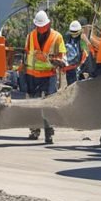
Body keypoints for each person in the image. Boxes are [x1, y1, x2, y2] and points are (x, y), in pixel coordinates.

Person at [22, 10, 66, 143]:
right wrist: (22, 71)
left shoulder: (57, 37)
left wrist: (46, 58)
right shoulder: (30, 36)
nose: (40, 28)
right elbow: (26, 54)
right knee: (33, 104)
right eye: (38, 26)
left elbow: (61, 57)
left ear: (48, 24)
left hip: (49, 75)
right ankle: (34, 131)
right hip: (32, 75)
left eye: (42, 26)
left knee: (48, 105)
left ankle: (49, 133)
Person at [62, 20, 90, 88]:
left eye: (75, 32)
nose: (74, 34)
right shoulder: (67, 37)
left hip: (78, 66)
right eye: (72, 32)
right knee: (72, 87)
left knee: (79, 86)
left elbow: (86, 50)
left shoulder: (81, 38)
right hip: (70, 67)